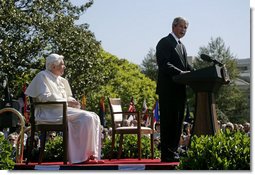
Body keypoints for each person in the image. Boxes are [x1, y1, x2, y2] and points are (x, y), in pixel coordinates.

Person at [25, 53, 103, 164]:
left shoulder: (62, 80)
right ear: (53, 66)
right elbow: (44, 97)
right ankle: (81, 157)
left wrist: (73, 102)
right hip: (49, 113)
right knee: (86, 117)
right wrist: (66, 101)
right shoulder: (42, 76)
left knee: (94, 116)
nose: (64, 66)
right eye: (62, 64)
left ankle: (91, 155)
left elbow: (67, 97)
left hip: (62, 110)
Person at [156, 17, 193, 162]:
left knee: (178, 123)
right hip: (168, 90)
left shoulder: (182, 46)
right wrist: (181, 73)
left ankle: (174, 150)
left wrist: (195, 72)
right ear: (173, 26)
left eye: (185, 28)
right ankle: (166, 153)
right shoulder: (164, 42)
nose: (183, 30)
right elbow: (164, 64)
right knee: (168, 122)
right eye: (181, 27)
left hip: (179, 90)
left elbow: (186, 67)